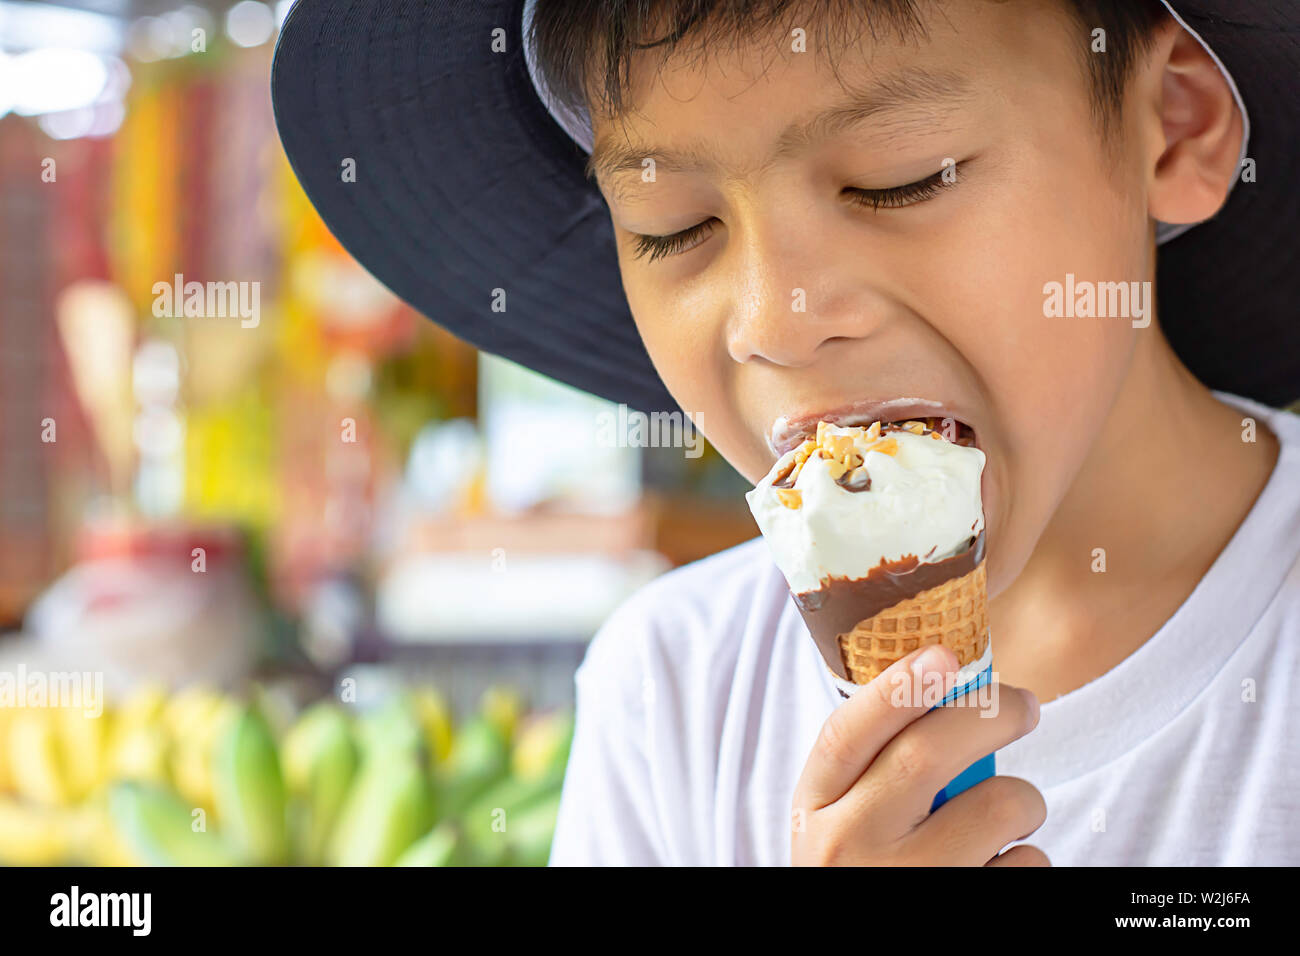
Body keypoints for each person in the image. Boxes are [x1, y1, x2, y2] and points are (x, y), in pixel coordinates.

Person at [271, 0, 1300, 864]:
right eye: (671, 225)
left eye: (901, 175)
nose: (774, 320)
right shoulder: (672, 695)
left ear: (1171, 124)